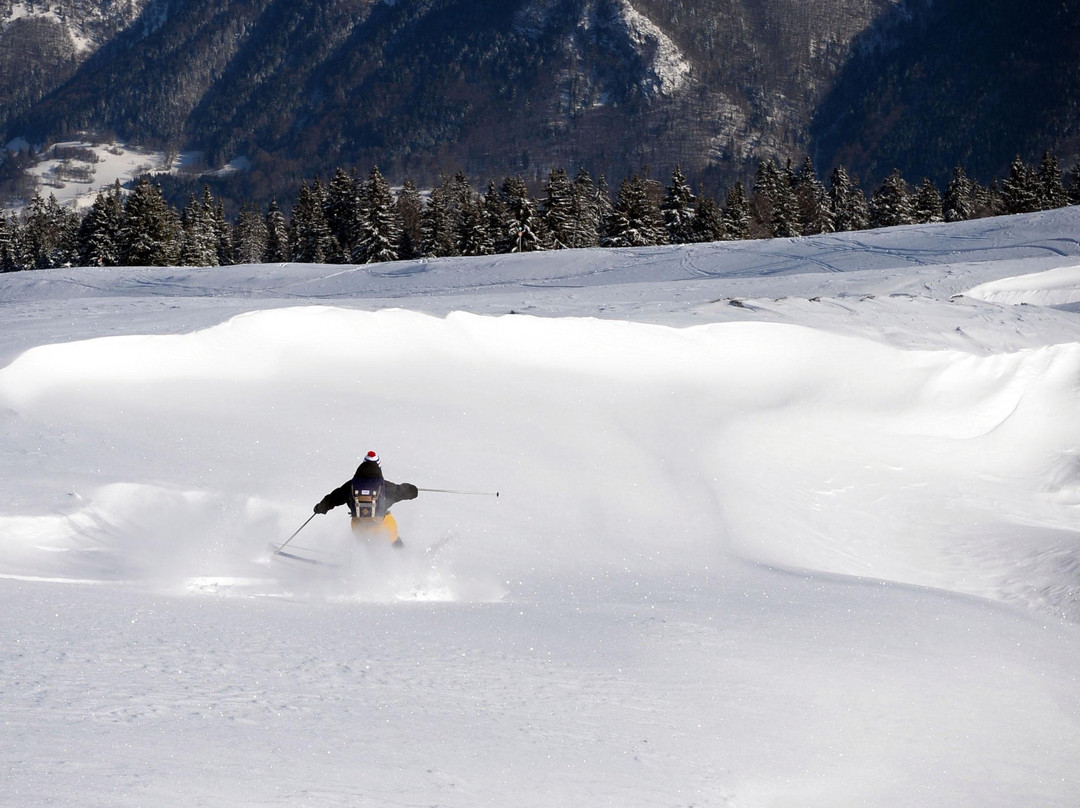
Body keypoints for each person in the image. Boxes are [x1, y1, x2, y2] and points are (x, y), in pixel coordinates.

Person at [313, 450, 418, 548]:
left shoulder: (351, 485)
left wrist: (321, 507)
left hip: (359, 528)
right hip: (382, 527)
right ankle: (404, 557)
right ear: (379, 466)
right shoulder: (384, 486)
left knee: (364, 547)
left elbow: (334, 498)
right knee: (393, 539)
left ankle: (362, 563)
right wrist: (413, 490)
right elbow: (402, 491)